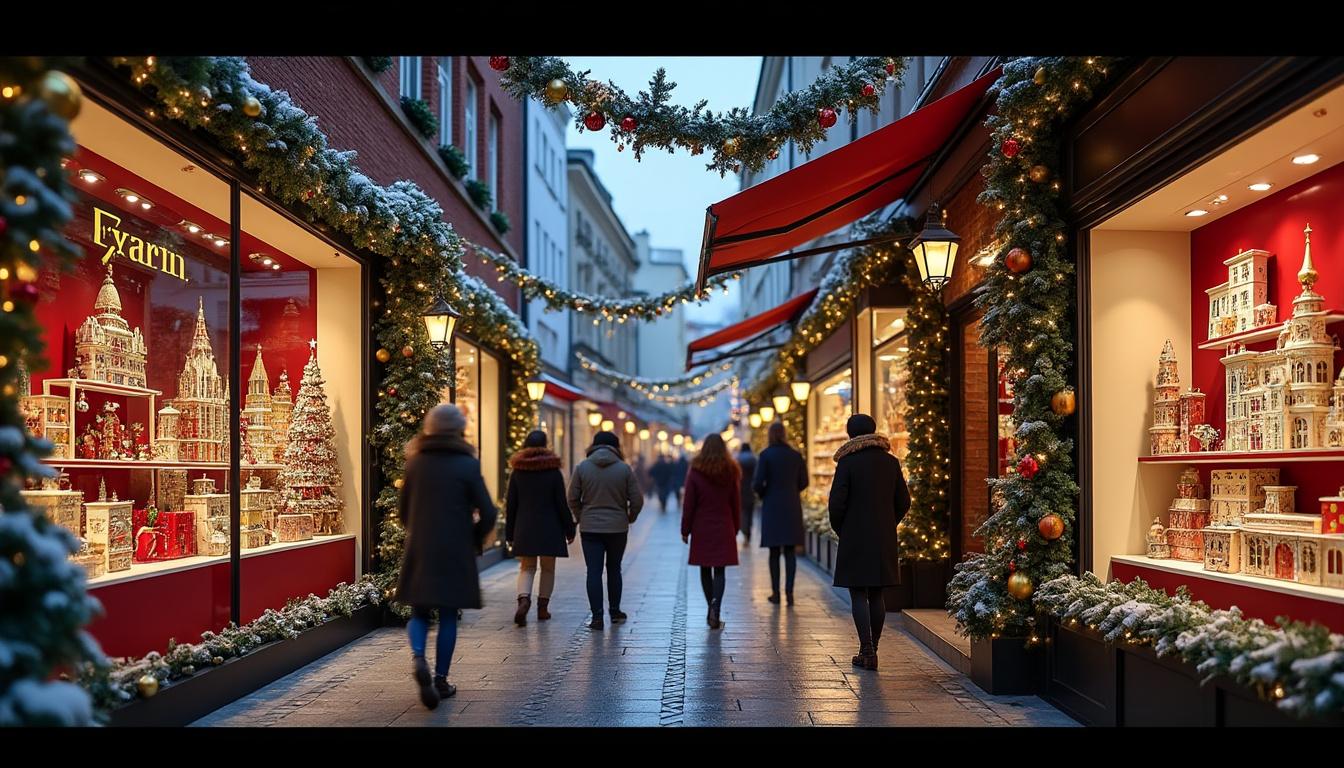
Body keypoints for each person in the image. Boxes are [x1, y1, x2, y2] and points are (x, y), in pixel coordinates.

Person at [396, 403, 497, 709]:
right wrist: (474, 537)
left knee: (419, 612)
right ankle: (440, 679)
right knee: (449, 614)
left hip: (421, 547)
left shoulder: (415, 463)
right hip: (455, 547)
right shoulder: (467, 464)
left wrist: (418, 530)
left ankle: (418, 657)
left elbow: (403, 511)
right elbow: (489, 512)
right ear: (459, 429)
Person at [828, 413, 909, 672]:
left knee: (857, 593)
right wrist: (889, 523)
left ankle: (866, 649)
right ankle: (874, 648)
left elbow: (836, 504)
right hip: (882, 535)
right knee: (876, 593)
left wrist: (842, 528)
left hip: (854, 534)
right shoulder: (890, 462)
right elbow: (904, 501)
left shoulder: (847, 462)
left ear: (850, 434)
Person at [568, 431, 644, 630]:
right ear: (616, 447)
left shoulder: (582, 467)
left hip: (590, 528)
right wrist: (630, 516)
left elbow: (572, 497)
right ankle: (615, 611)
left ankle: (597, 617)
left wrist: (581, 515)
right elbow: (637, 499)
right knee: (614, 568)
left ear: (593, 445)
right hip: (617, 528)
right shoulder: (624, 469)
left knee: (593, 571)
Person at [505, 429, 576, 627]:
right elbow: (561, 504)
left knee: (527, 567)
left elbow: (511, 505)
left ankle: (523, 599)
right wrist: (569, 529)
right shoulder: (553, 472)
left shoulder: (518, 471)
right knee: (548, 568)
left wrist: (509, 533)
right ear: (546, 446)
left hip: (525, 527)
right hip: (550, 528)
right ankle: (542, 608)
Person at [681, 433, 741, 630]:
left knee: (705, 568)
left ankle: (710, 608)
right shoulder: (731, 470)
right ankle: (716, 608)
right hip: (724, 524)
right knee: (720, 570)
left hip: (702, 526)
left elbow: (689, 503)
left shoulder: (696, 470)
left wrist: (685, 529)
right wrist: (736, 526)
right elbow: (735, 502)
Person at [753, 421, 807, 605]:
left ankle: (775, 593)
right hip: (791, 506)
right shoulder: (795, 455)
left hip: (772, 507)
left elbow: (757, 483)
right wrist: (792, 490)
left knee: (774, 551)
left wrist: (764, 494)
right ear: (784, 434)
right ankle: (789, 593)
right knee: (790, 552)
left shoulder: (765, 455)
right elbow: (804, 481)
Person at [735, 443, 758, 546]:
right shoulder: (754, 459)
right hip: (751, 490)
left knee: (742, 512)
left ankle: (744, 532)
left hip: (740, 490)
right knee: (750, 513)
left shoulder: (737, 459)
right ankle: (748, 534)